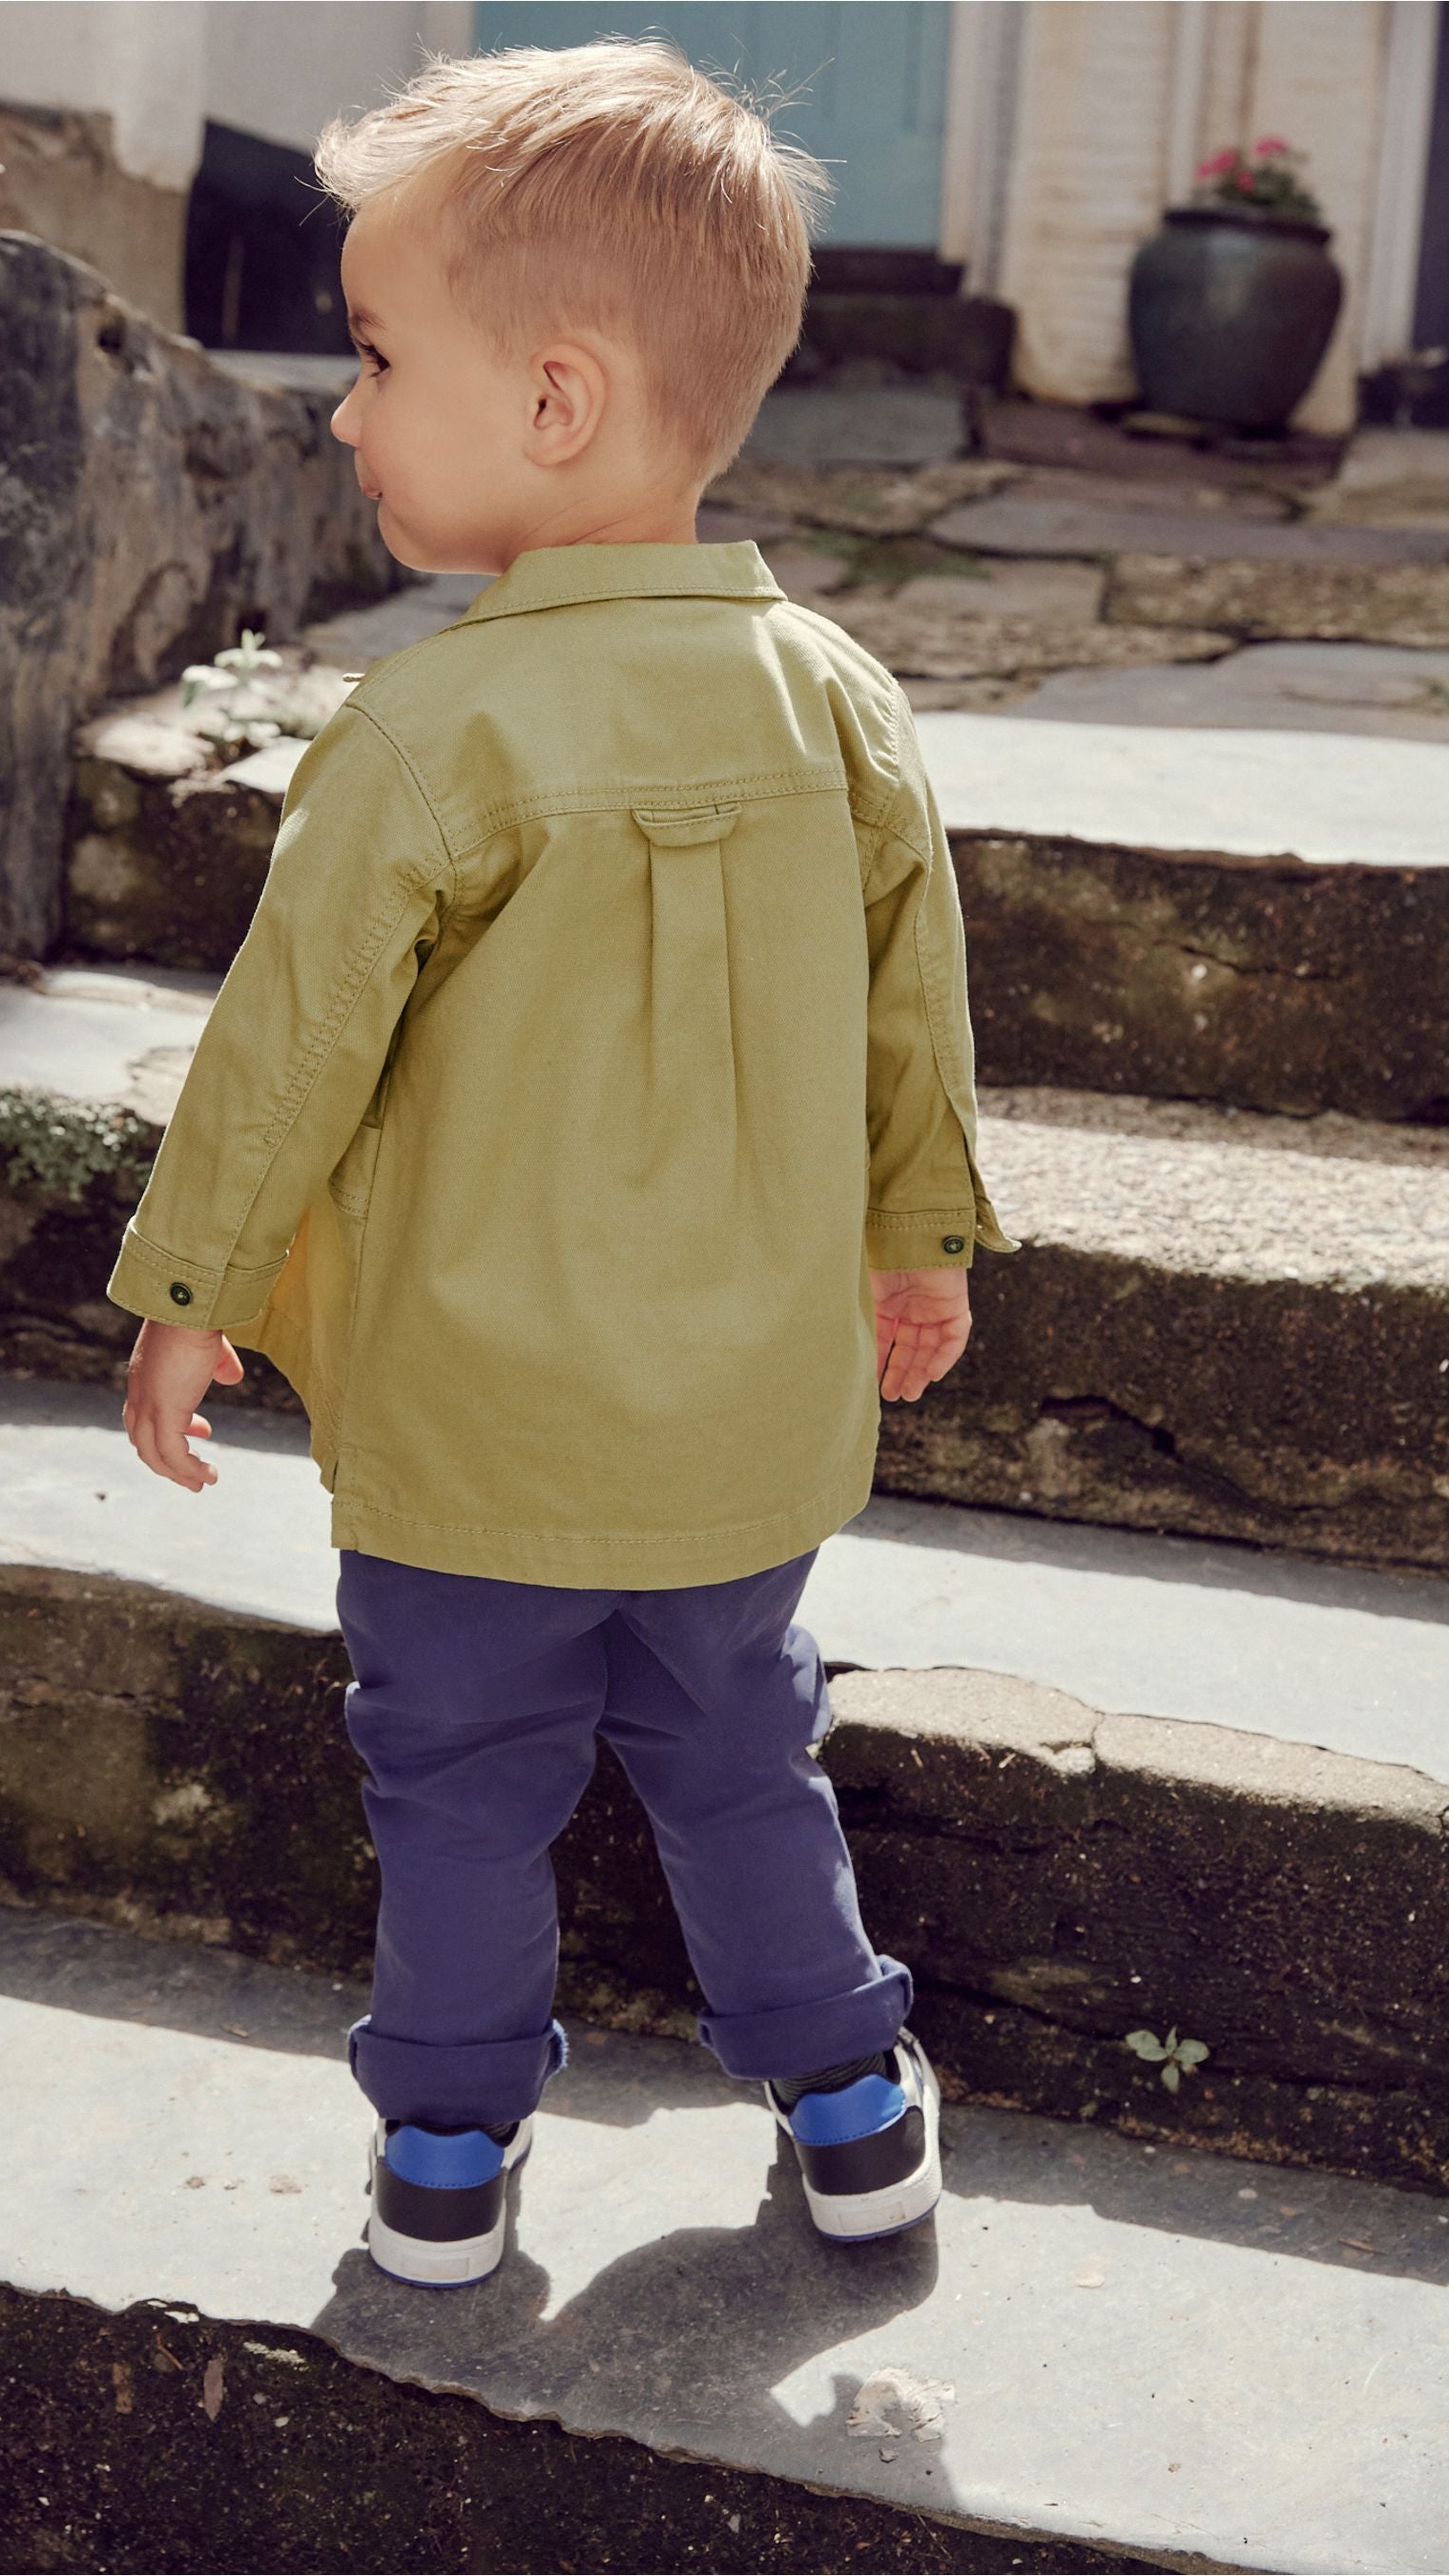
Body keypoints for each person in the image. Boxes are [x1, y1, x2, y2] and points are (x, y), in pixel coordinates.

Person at [112, 34, 1018, 2288]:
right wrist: (920, 1243)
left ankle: (441, 2160)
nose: (343, 406)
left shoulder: (433, 725)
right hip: (733, 1430)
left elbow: (286, 1044)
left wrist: (190, 1285)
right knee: (738, 1761)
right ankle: (844, 2106)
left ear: (550, 402)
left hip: (468, 1436)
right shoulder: (841, 704)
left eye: (376, 353)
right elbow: (921, 1020)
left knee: (456, 1789)